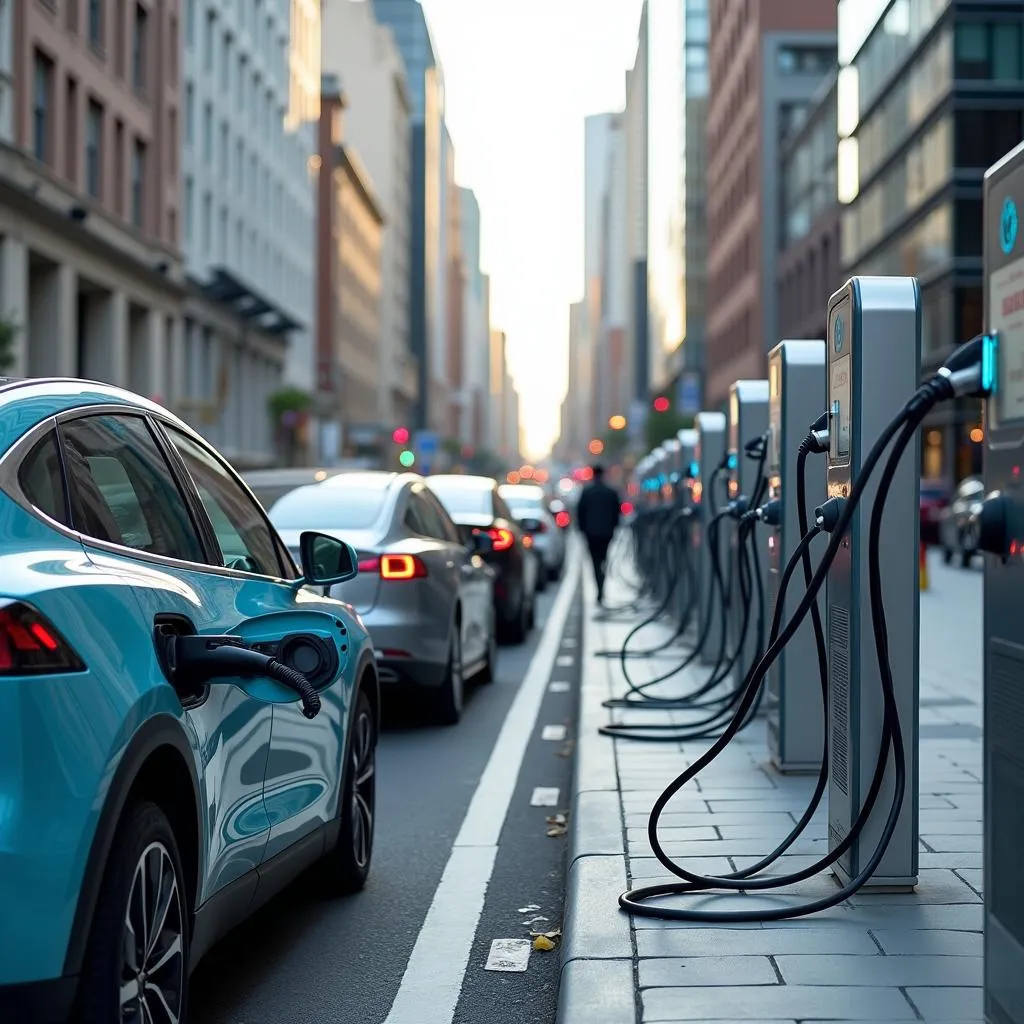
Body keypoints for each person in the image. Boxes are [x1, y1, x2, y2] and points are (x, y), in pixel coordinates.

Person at [575, 464, 622, 604]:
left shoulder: (587, 492)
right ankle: (602, 587)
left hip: (591, 533)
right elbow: (616, 513)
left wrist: (583, 529)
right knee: (603, 559)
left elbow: (580, 512)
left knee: (595, 562)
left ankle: (600, 588)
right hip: (606, 532)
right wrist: (614, 528)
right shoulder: (611, 492)